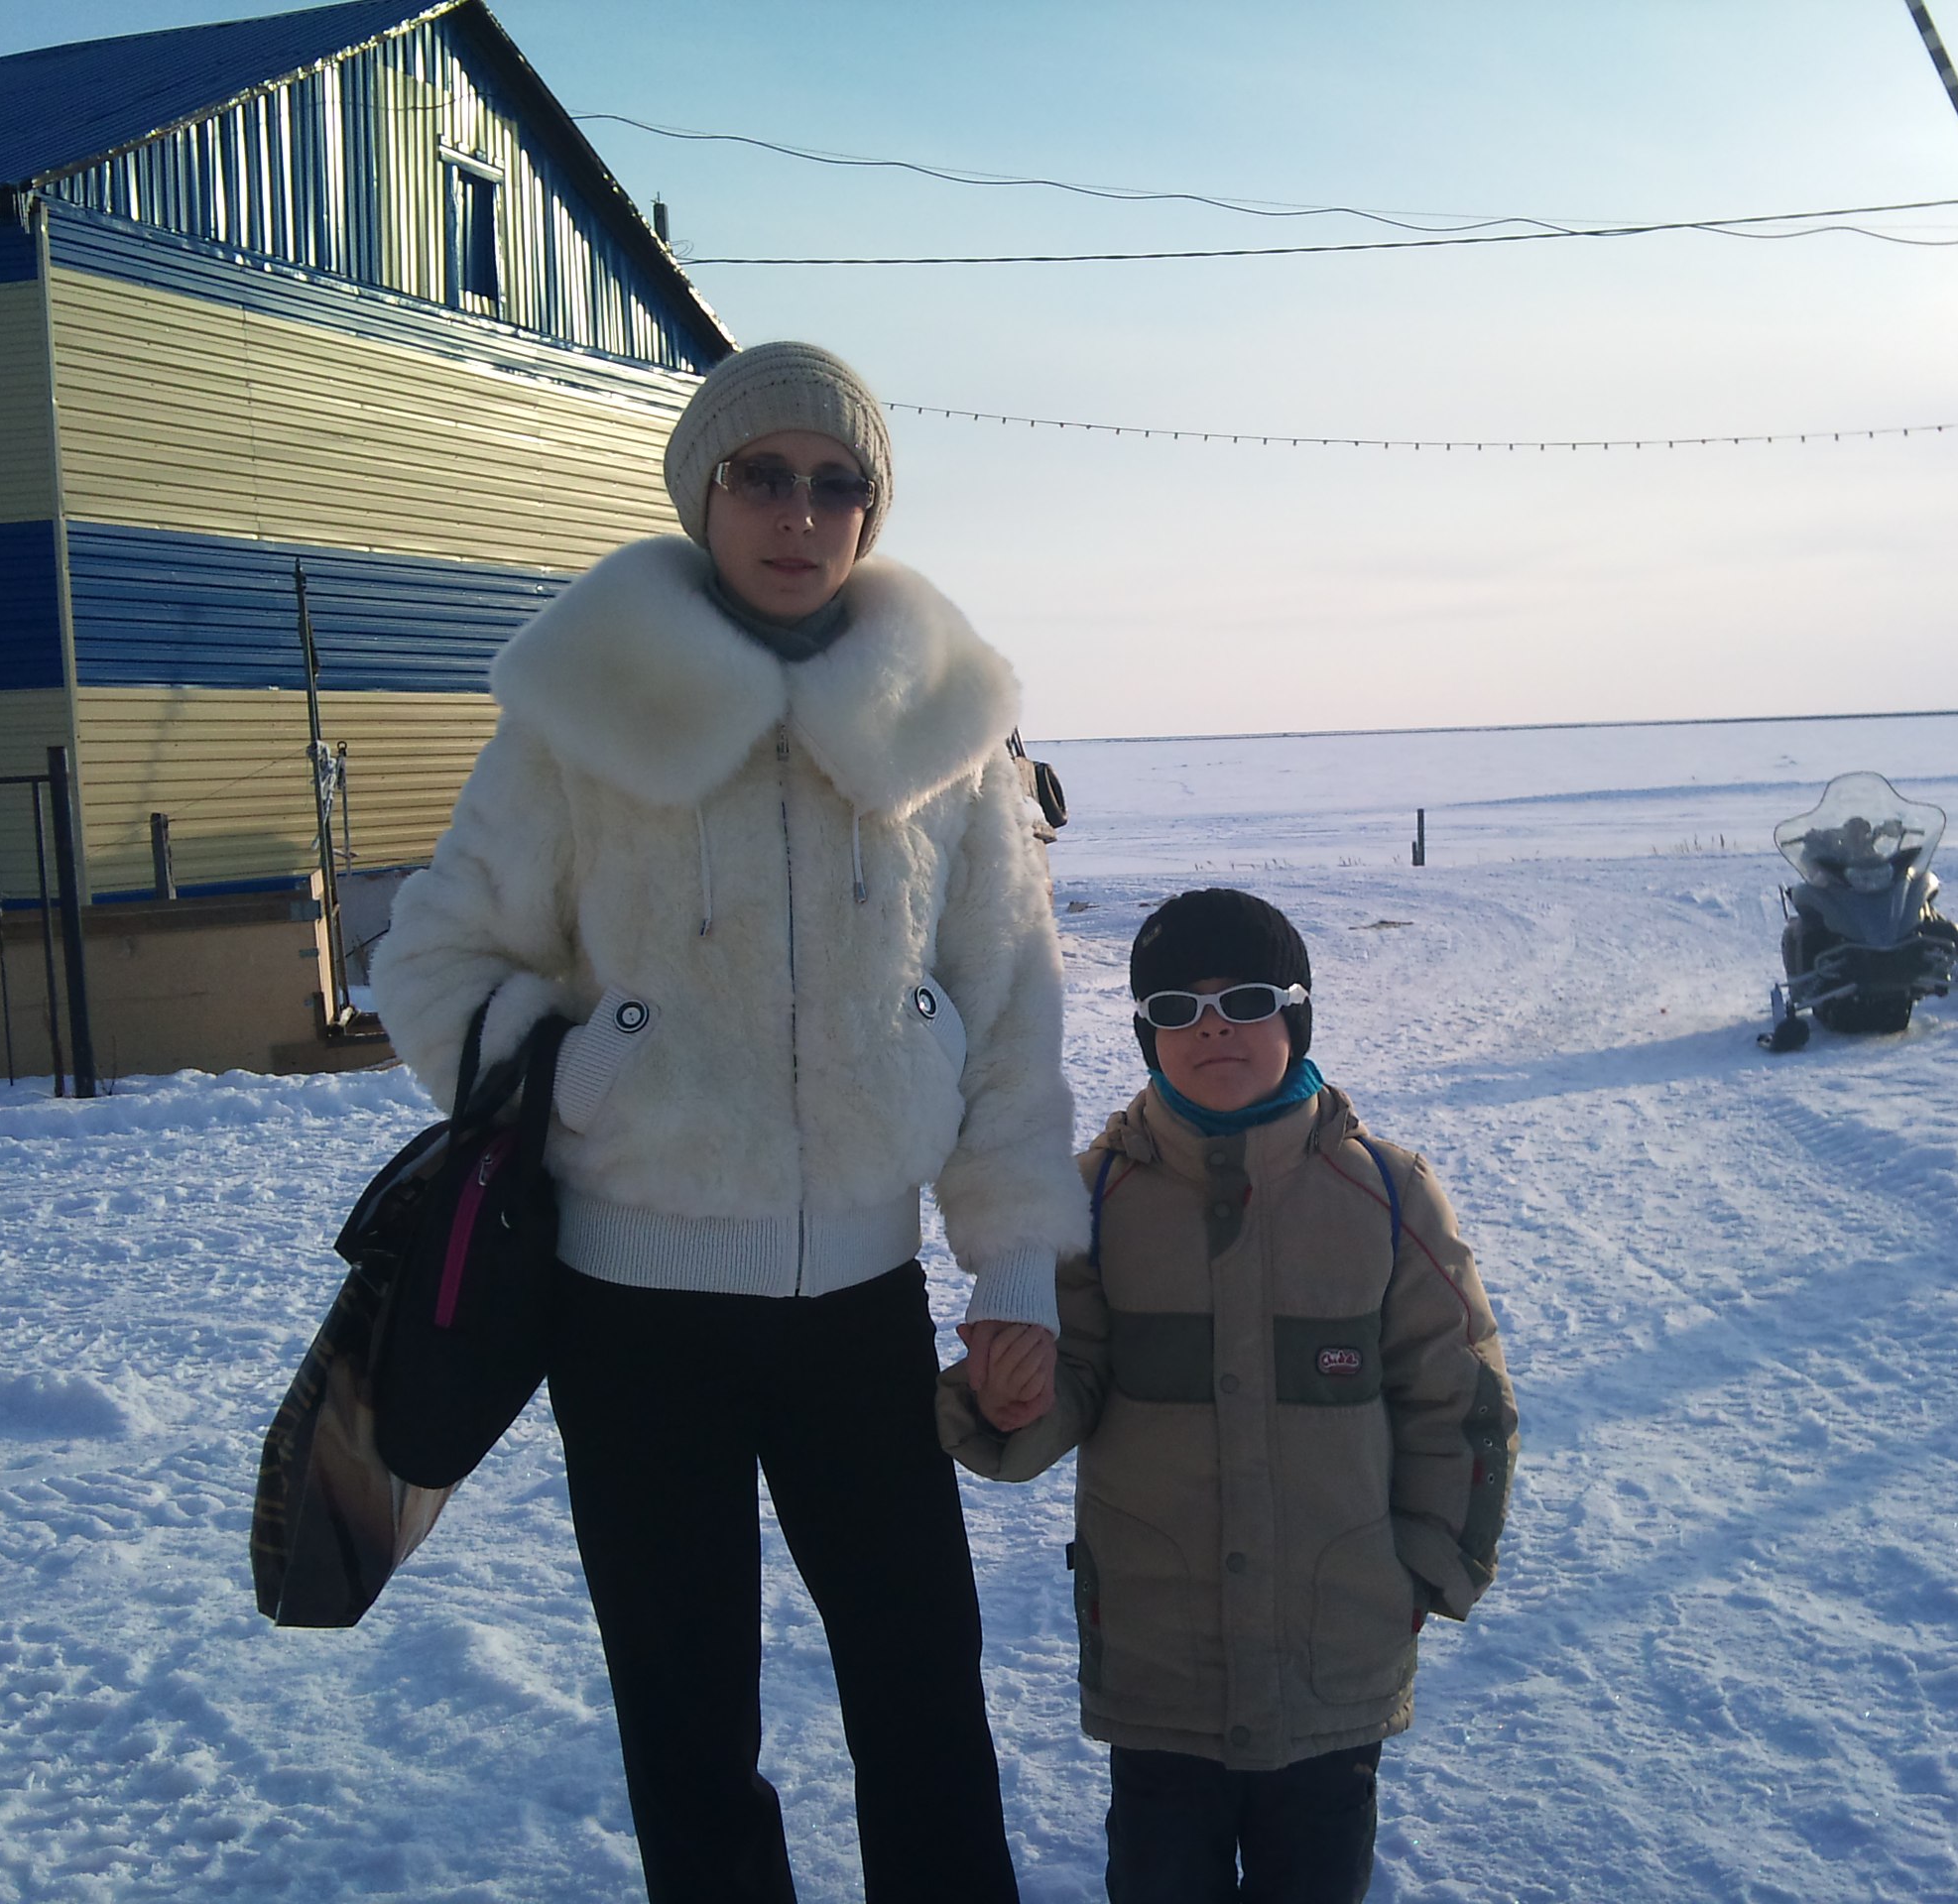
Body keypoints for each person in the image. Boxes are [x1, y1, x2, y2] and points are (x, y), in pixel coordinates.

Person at [376, 341, 1087, 1902]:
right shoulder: (582, 711)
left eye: (837, 484)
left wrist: (1016, 1265)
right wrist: (577, 1073)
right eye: (764, 475)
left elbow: (1010, 1008)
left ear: (870, 514)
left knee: (924, 1691)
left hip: (861, 1309)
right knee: (688, 1718)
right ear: (701, 491)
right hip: (635, 1321)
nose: (800, 513)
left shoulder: (950, 723)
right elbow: (430, 963)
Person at [937, 888, 1519, 1904]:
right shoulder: (1090, 1199)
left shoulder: (1387, 1196)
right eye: (1177, 1009)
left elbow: (1460, 1400)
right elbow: (1070, 1379)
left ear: (1297, 1016)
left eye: (1245, 1000)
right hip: (1159, 1662)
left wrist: (1423, 1573)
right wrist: (1011, 1401)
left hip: (1335, 1657)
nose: (1212, 1028)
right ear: (1146, 1035)